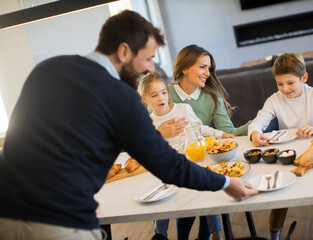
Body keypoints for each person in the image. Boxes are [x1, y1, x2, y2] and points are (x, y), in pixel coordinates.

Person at [0, 10, 258, 240]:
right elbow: (168, 165)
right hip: (58, 222)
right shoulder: (121, 97)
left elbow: (21, 138)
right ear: (124, 51)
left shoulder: (47, 69)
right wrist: (226, 183)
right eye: (147, 58)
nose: (150, 68)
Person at [247, 53, 313, 240]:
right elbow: (257, 122)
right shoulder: (274, 100)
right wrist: (254, 133)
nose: (285, 89)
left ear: (304, 78)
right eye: (280, 84)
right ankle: (273, 233)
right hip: (289, 154)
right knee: (281, 195)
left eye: (290, 83)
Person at [158, 44, 252, 240]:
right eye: (202, 67)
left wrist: (258, 122)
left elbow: (226, 133)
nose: (207, 73)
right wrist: (160, 132)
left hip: (200, 159)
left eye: (209, 68)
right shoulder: (162, 92)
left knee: (204, 197)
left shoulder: (212, 96)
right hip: (167, 162)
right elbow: (142, 129)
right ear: (184, 67)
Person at [138, 72, 235, 239]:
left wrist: (221, 135)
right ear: (145, 99)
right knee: (163, 200)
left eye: (163, 92)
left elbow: (201, 129)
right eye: (154, 95)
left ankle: (214, 234)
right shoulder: (147, 123)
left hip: (192, 163)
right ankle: (160, 235)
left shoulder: (183, 109)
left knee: (205, 195)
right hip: (167, 171)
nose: (161, 98)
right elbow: (143, 148)